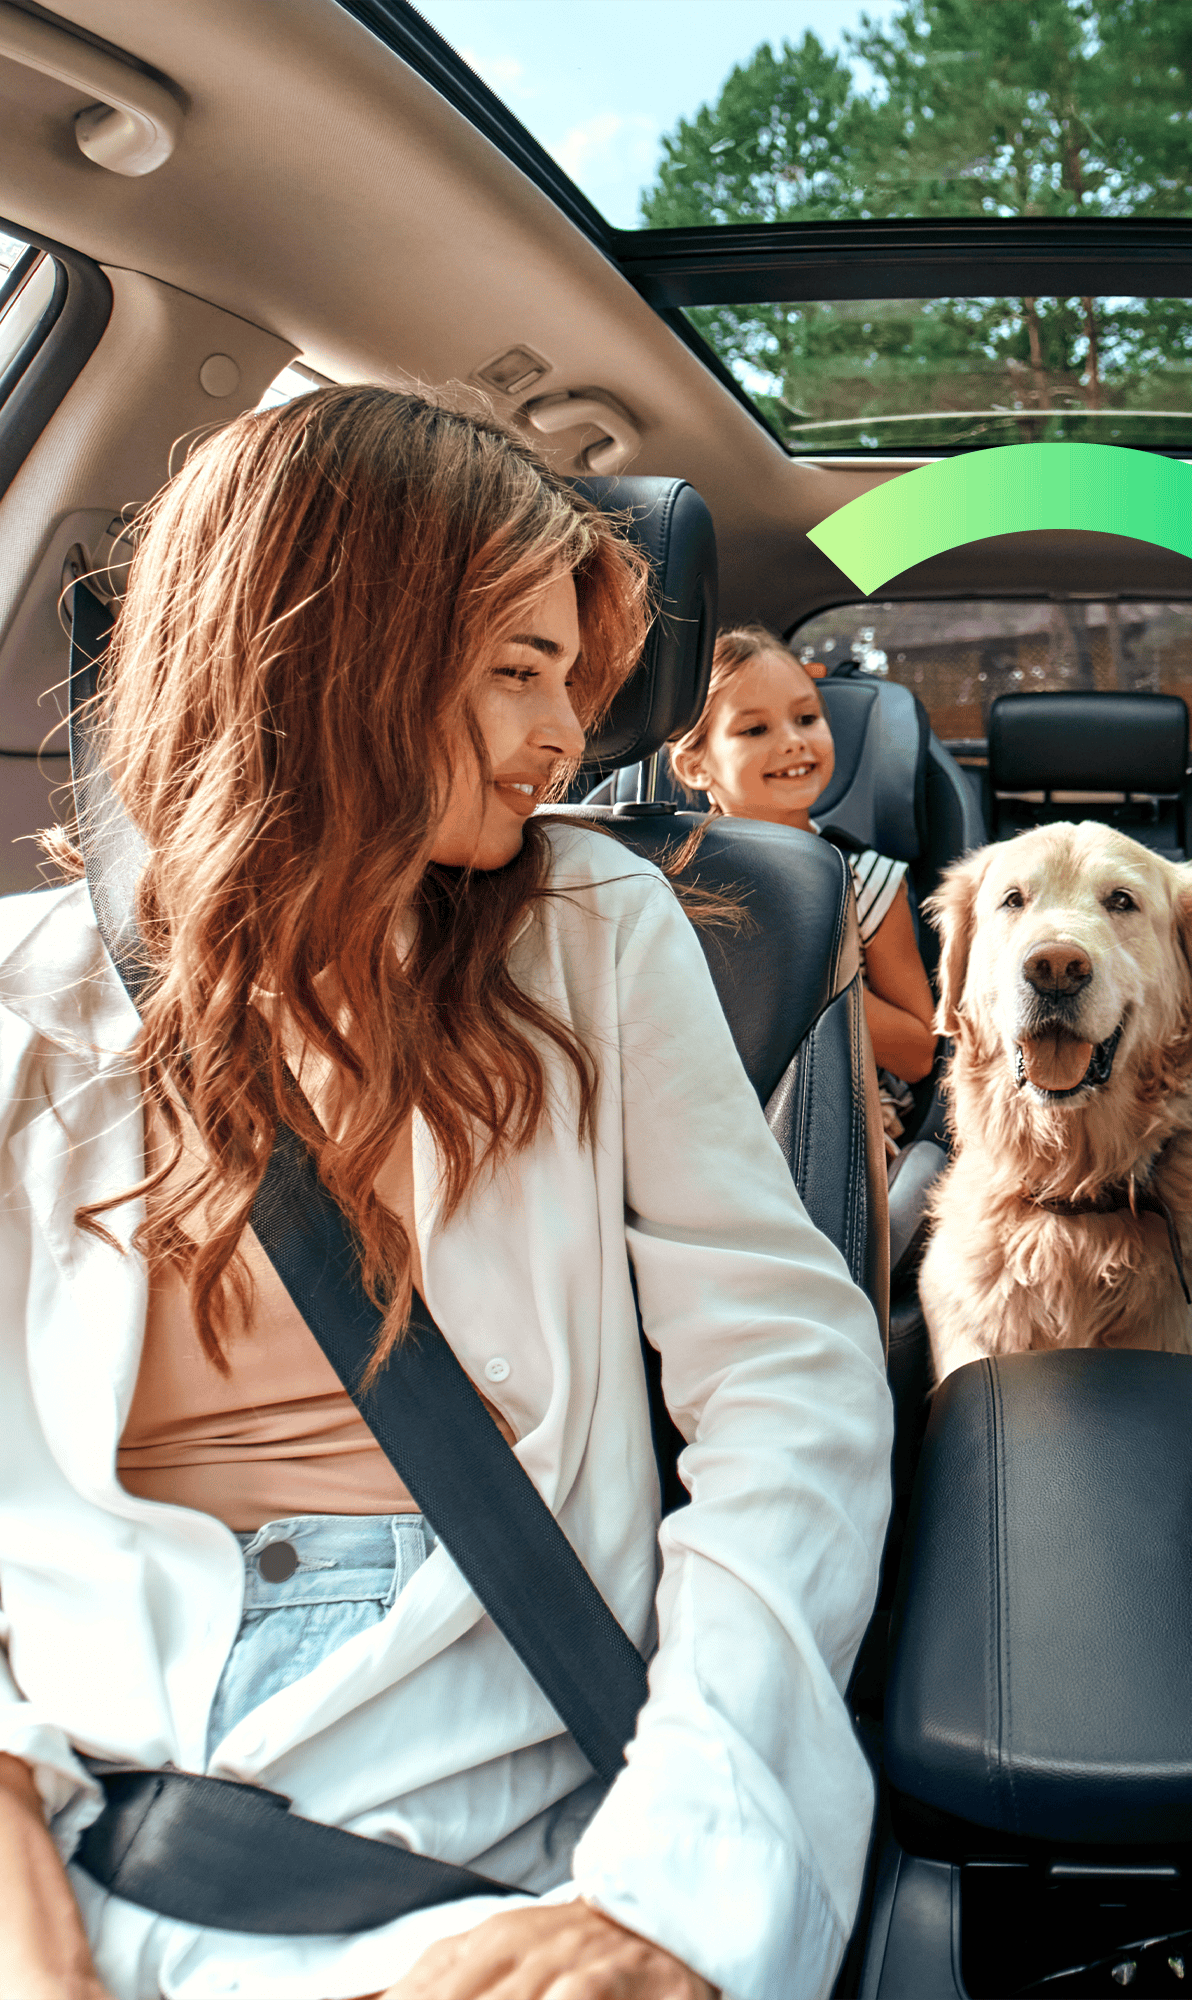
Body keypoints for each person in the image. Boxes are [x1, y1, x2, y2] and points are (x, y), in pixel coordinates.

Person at [0, 387, 892, 2000]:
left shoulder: (595, 933)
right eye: (520, 674)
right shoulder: (22, 1000)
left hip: (471, 1788)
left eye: (577, 679)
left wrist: (674, 1881)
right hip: (76, 1786)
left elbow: (788, 1385)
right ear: (336, 656)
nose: (571, 741)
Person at [668, 630, 936, 1150]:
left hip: (837, 1115)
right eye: (755, 729)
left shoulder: (870, 882)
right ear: (695, 764)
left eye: (807, 719)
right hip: (700, 1115)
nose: (792, 740)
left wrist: (804, 980)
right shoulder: (671, 884)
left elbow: (918, 1055)